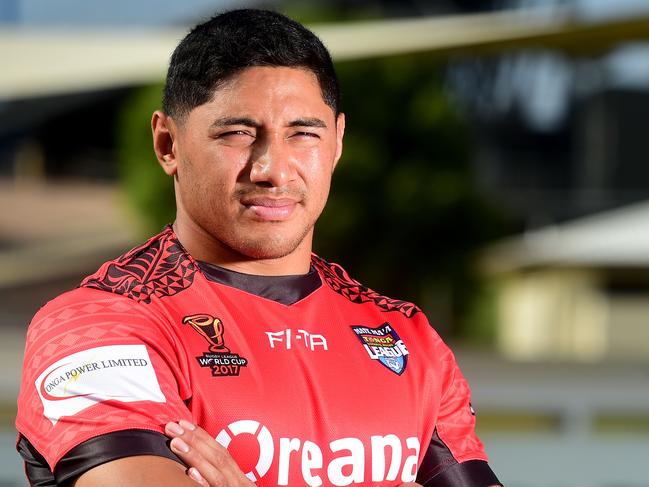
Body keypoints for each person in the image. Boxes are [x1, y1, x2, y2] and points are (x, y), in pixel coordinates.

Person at [15, 8, 502, 487]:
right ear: (168, 144)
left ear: (337, 142)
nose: (272, 168)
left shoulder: (408, 337)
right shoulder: (99, 325)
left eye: (303, 134)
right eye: (238, 133)